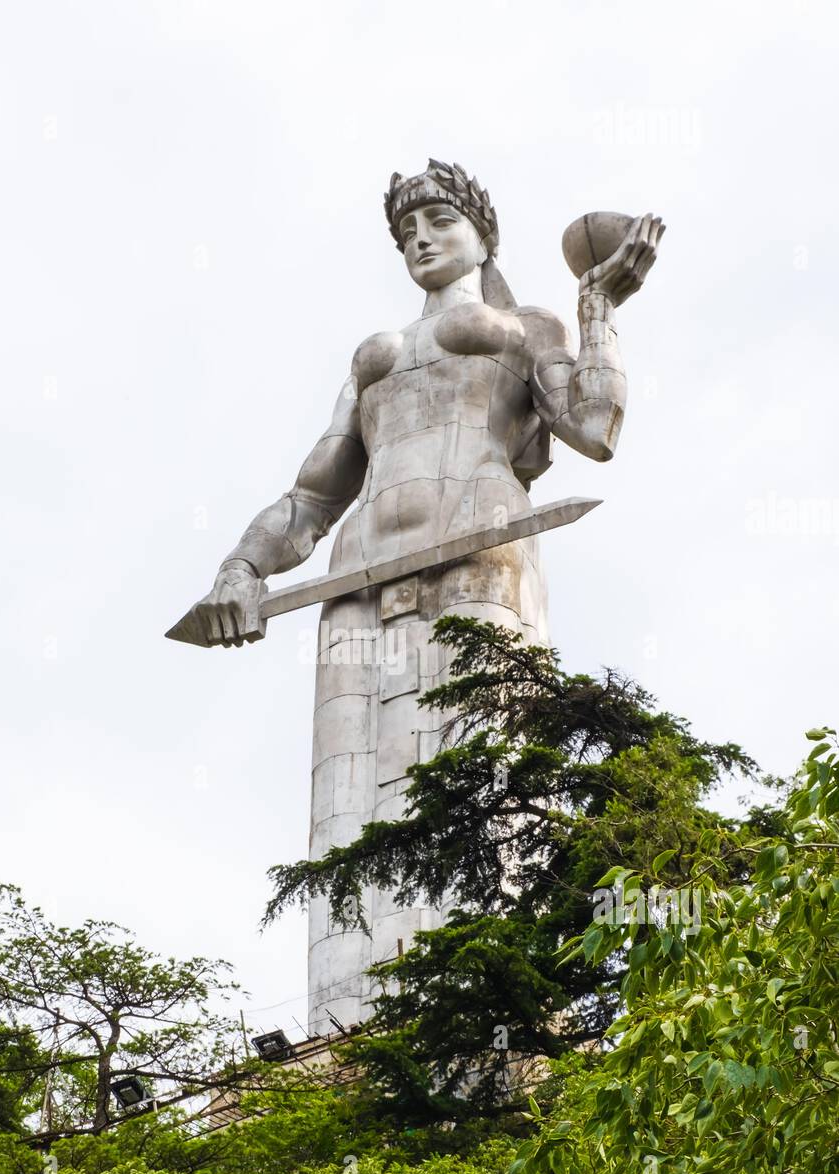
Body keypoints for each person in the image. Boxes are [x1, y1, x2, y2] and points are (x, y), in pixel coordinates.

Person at [181, 159, 663, 1033]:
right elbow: (311, 498)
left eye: (439, 219)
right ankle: (348, 1036)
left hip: (477, 547)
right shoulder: (374, 356)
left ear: (482, 233)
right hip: (357, 579)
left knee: (482, 779)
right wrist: (241, 568)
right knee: (349, 817)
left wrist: (597, 312)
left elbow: (595, 429)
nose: (420, 237)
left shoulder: (523, 328)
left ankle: (485, 1013)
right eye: (406, 229)